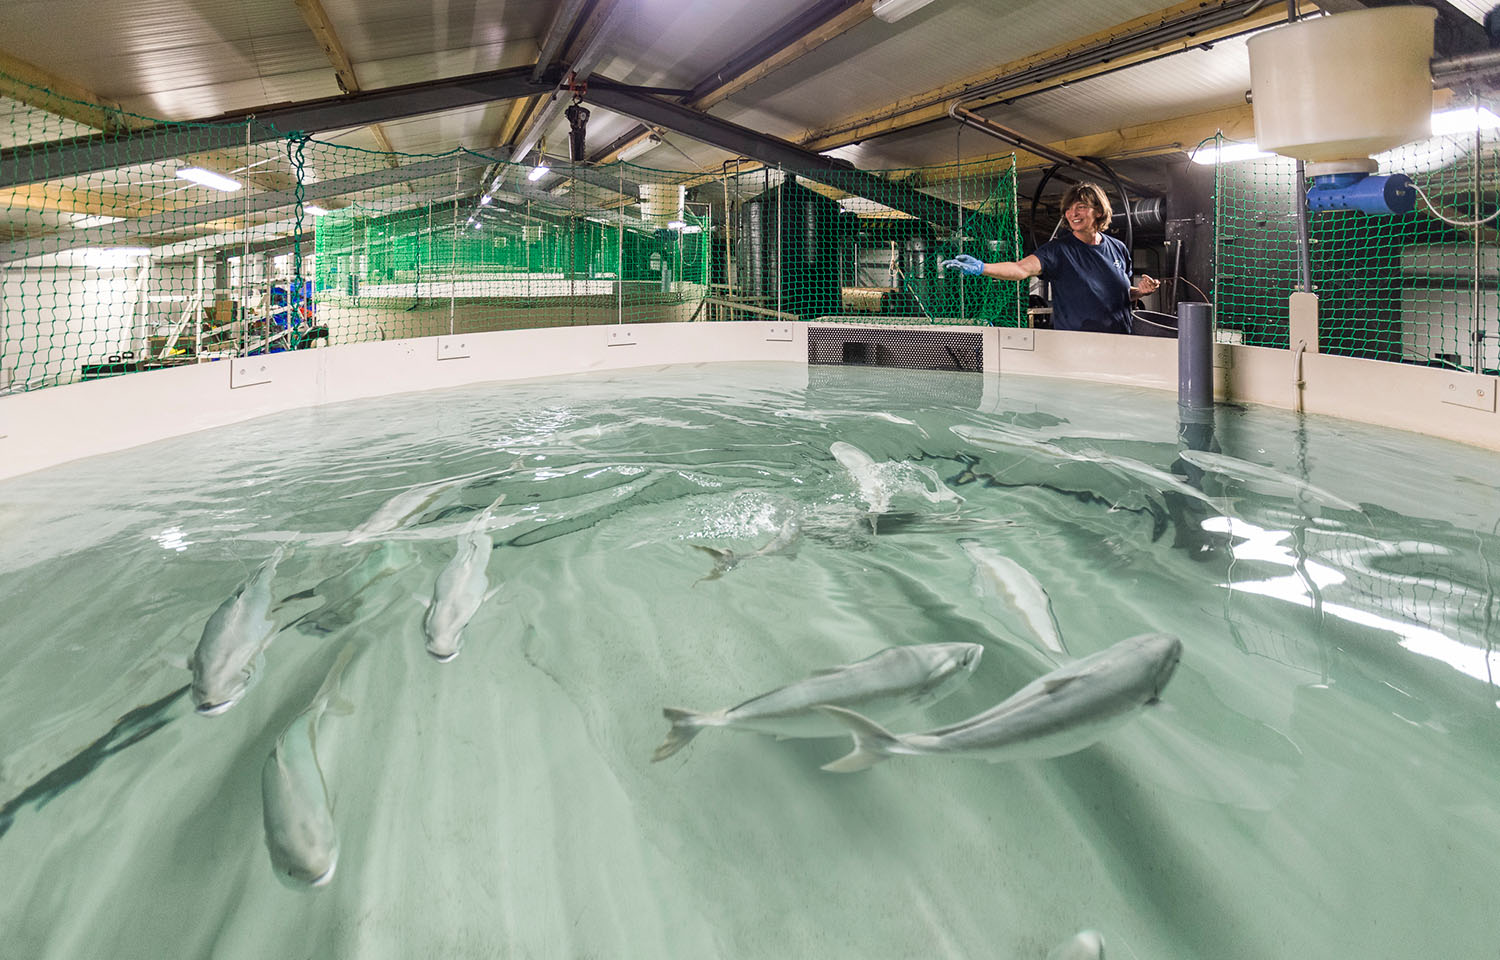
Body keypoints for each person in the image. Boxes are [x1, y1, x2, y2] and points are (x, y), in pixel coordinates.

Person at [942, 182, 1159, 334]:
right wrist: (982, 267)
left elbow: (1119, 293)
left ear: (1099, 211)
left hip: (1120, 342)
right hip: (1075, 345)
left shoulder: (1118, 248)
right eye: (1069, 209)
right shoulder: (1058, 250)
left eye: (1081, 207)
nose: (1073, 213)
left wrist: (1140, 292)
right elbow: (1021, 269)